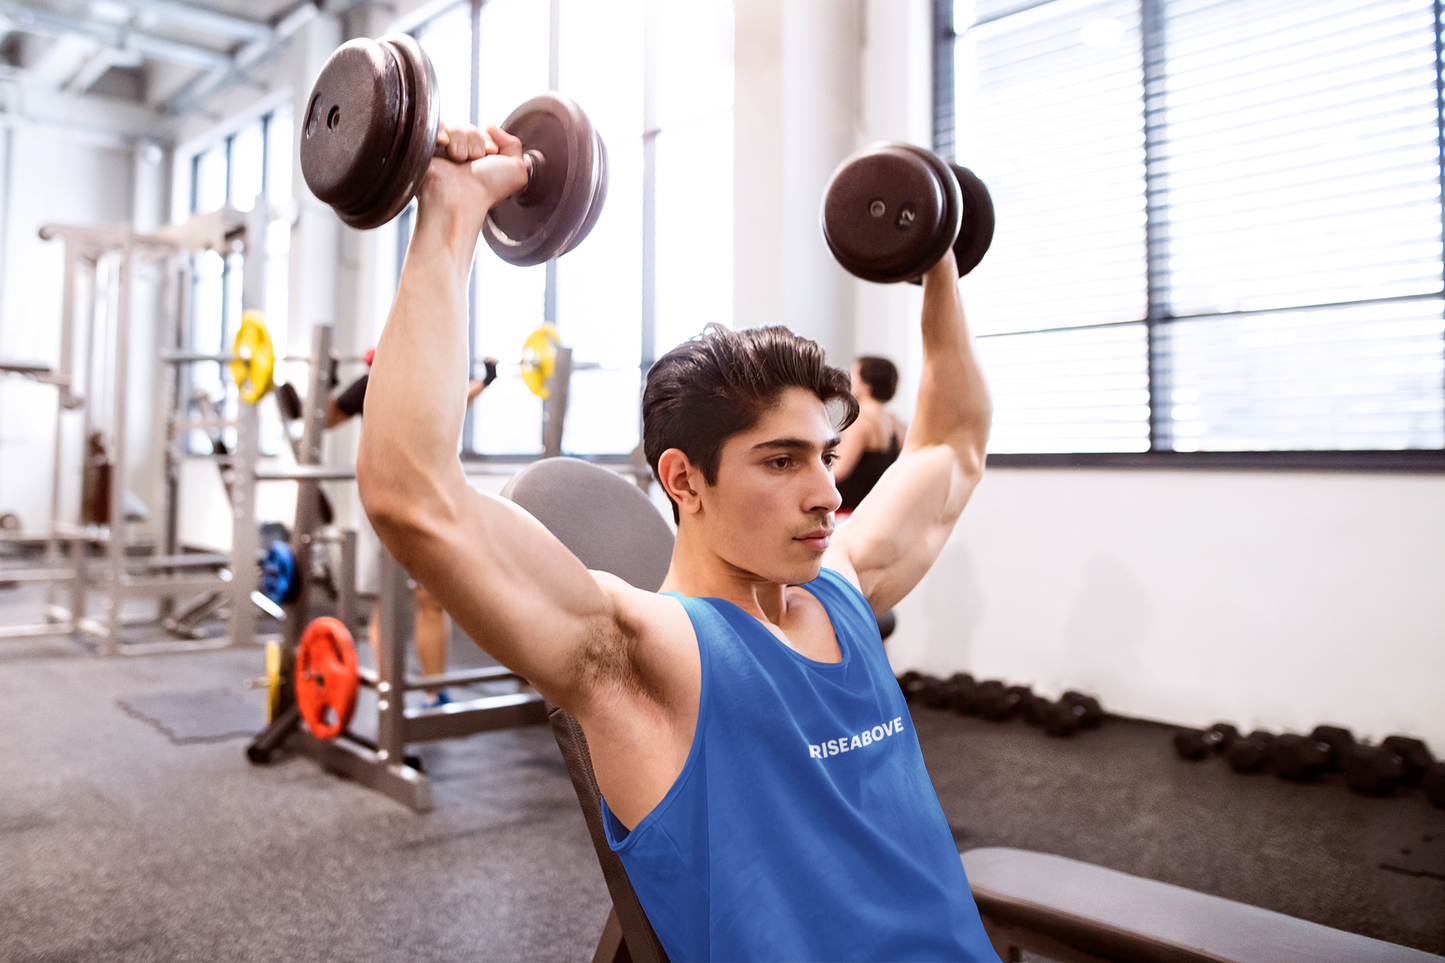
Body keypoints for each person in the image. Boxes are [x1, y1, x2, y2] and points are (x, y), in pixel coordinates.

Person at [357, 121, 996, 961]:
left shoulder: (843, 589)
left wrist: (934, 252)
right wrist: (450, 209)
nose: (826, 492)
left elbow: (952, 445)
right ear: (684, 480)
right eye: (780, 461)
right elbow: (413, 496)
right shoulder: (642, 654)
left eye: (824, 456)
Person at [331, 353, 497, 706]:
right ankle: (389, 692)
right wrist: (326, 381)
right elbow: (325, 419)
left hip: (425, 498)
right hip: (385, 500)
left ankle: (434, 691)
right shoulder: (370, 385)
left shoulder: (428, 382)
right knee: (388, 599)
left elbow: (458, 397)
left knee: (429, 598)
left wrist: (486, 381)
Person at [834, 355, 907, 513]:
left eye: (854, 374)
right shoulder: (898, 424)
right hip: (877, 509)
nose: (849, 379)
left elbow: (839, 471)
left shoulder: (861, 423)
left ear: (867, 386)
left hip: (850, 512)